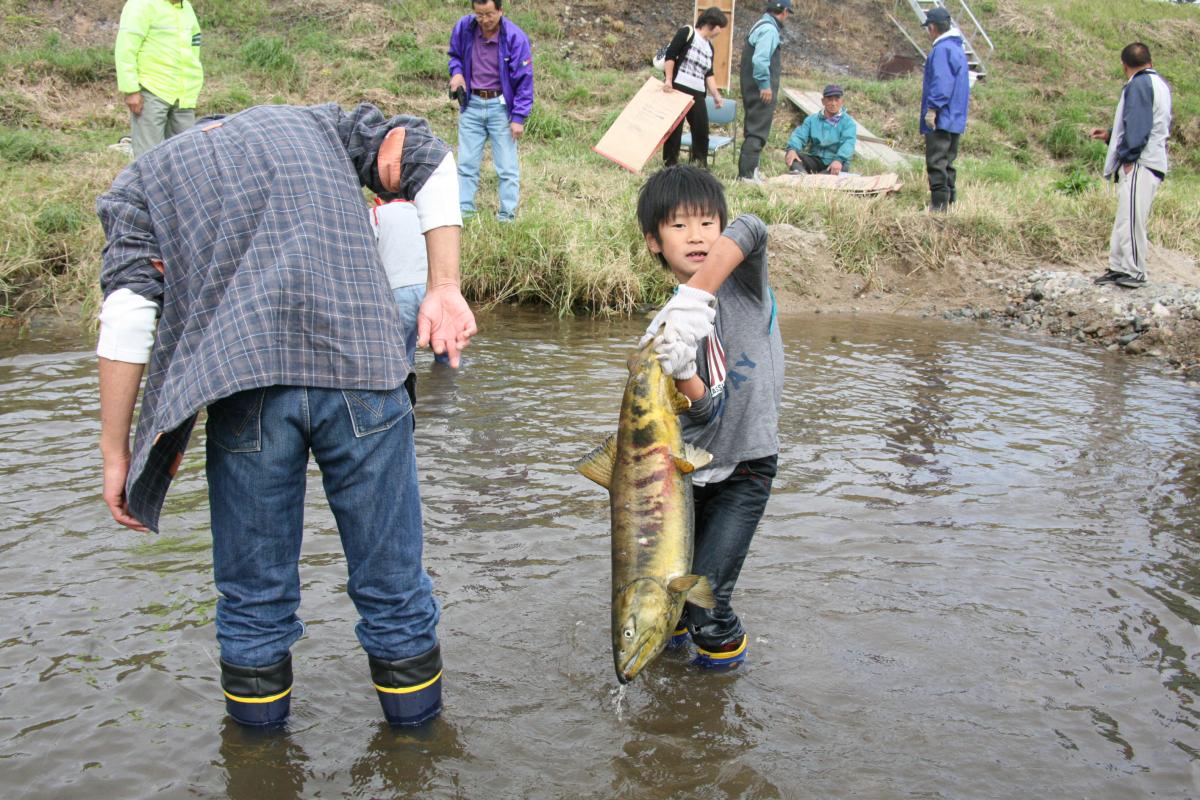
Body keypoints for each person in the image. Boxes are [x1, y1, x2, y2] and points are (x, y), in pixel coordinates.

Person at [95, 102, 475, 729]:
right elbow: (427, 159)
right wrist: (444, 286)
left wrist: (117, 453)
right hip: (361, 368)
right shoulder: (315, 124)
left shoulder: (145, 180)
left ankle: (257, 759)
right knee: (395, 590)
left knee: (253, 603)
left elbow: (128, 314)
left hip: (246, 385)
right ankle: (418, 749)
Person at [636, 165, 784, 670]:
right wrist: (680, 372)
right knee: (672, 598)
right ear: (654, 241)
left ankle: (719, 687)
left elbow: (753, 227)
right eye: (679, 226)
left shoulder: (742, 285)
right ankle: (678, 692)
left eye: (706, 223)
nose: (696, 236)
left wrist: (694, 295)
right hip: (693, 476)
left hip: (746, 466)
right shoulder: (665, 333)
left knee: (706, 606)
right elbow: (703, 412)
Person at [1090, 42, 1173, 290]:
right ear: (1150, 60)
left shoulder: (1139, 84)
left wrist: (1128, 157)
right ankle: (1118, 267)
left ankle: (1135, 271)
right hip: (1149, 159)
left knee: (1133, 218)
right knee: (1125, 217)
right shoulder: (1158, 84)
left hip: (1141, 162)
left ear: (1124, 65)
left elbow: (1139, 125)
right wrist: (1111, 135)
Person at [448, 0, 534, 221]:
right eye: (479, 15)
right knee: (466, 164)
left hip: (501, 108)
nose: (484, 20)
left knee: (507, 168)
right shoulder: (464, 28)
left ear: (500, 10)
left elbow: (525, 81)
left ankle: (507, 217)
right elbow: (455, 56)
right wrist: (457, 74)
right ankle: (464, 214)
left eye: (489, 14)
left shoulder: (515, 38)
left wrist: (518, 117)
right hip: (472, 105)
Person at [114, 0, 204, 158]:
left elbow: (194, 45)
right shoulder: (141, 4)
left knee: (186, 157)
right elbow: (125, 48)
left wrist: (192, 83)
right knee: (149, 158)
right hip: (153, 90)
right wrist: (131, 90)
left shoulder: (186, 8)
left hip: (183, 96)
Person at [369, 198, 449, 366]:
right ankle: (447, 388)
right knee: (446, 353)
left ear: (379, 197)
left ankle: (407, 389)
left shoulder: (376, 214)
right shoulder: (424, 214)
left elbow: (368, 251)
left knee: (402, 358)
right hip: (430, 289)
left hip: (397, 291)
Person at [661, 7, 728, 168]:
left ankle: (699, 164)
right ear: (712, 23)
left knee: (701, 130)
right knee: (674, 130)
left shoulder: (709, 47)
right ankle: (670, 164)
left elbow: (708, 74)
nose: (720, 31)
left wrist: (716, 95)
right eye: (720, 26)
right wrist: (668, 80)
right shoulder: (688, 32)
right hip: (678, 87)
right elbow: (670, 56)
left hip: (698, 93)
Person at [919, 7, 970, 211]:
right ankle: (950, 204)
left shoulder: (941, 50)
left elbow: (941, 82)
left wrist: (932, 109)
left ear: (932, 28)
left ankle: (938, 207)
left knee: (936, 161)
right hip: (955, 118)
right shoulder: (958, 48)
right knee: (948, 162)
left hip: (942, 117)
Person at [737, 0, 792, 184]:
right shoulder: (769, 30)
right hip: (759, 89)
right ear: (784, 12)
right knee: (757, 131)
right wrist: (764, 85)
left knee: (753, 127)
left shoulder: (760, 24)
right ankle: (747, 176)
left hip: (751, 86)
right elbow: (760, 60)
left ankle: (751, 172)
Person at [784, 84, 857, 175]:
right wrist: (792, 149)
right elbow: (799, 136)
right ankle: (802, 174)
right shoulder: (812, 120)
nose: (833, 103)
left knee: (837, 169)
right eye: (830, 99)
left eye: (837, 100)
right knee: (793, 156)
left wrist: (839, 159)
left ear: (842, 101)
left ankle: (809, 178)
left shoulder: (848, 123)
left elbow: (848, 143)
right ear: (823, 101)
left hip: (836, 162)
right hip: (815, 159)